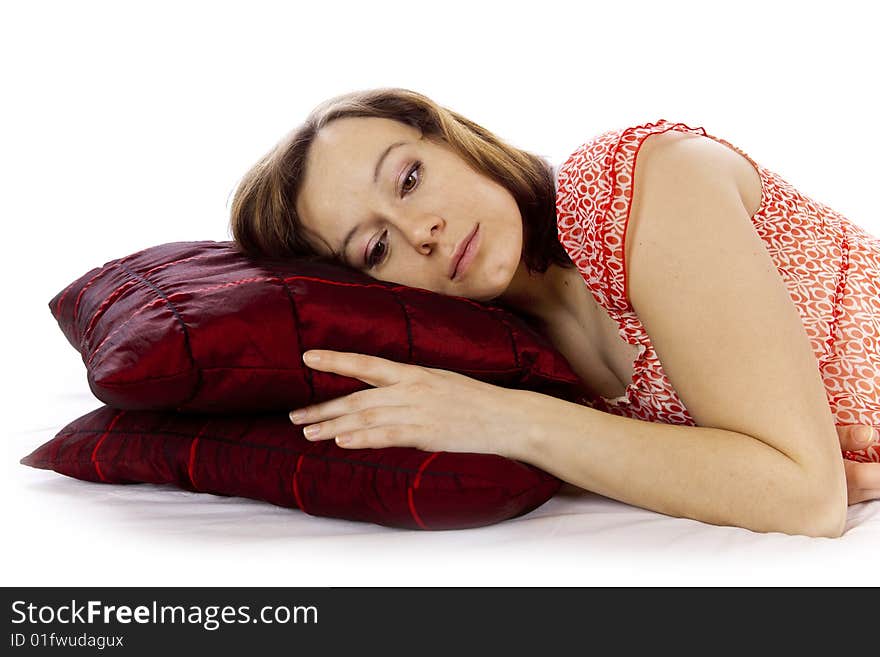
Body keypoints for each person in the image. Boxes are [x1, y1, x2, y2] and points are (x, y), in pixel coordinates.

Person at [229, 87, 880, 537]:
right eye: (375, 246)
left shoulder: (642, 183)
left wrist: (507, 421)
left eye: (409, 178)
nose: (420, 228)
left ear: (456, 142)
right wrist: (747, 475)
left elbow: (804, 499)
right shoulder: (513, 354)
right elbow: (785, 482)